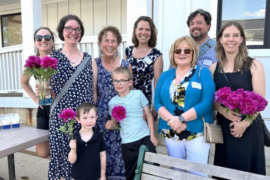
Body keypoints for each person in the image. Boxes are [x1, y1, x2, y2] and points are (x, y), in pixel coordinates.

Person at [209, 21, 266, 177]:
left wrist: (244, 123)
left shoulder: (254, 65)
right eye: (226, 35)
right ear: (220, 39)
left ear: (242, 39)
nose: (231, 39)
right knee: (225, 170)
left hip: (249, 127)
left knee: (247, 171)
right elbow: (211, 99)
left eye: (235, 35)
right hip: (225, 128)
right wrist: (222, 111)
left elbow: (260, 102)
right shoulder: (214, 68)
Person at [154, 36, 215, 177]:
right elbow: (157, 102)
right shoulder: (165, 75)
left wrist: (180, 119)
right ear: (173, 54)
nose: (182, 53)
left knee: (197, 174)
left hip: (197, 132)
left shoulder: (202, 73)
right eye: (178, 50)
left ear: (193, 53)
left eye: (187, 50)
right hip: (171, 130)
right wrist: (173, 121)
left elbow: (207, 103)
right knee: (177, 173)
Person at [48, 14, 97, 180]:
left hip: (84, 121)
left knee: (83, 161)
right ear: (62, 31)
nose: (73, 32)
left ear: (81, 33)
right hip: (60, 121)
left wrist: (92, 120)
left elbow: (94, 92)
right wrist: (40, 94)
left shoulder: (90, 61)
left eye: (77, 29)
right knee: (61, 161)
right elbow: (45, 89)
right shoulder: (52, 59)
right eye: (69, 28)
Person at [106, 67, 159, 180]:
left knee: (153, 169)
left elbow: (149, 114)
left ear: (130, 82)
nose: (119, 84)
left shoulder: (138, 94)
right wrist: (111, 125)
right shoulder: (112, 102)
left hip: (145, 137)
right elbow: (116, 123)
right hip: (128, 142)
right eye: (115, 81)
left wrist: (152, 136)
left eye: (122, 80)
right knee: (131, 173)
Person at [95, 26, 132, 180]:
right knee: (101, 156)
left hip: (120, 118)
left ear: (118, 44)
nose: (110, 44)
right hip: (101, 119)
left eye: (113, 41)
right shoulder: (94, 63)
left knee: (120, 158)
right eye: (106, 41)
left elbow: (130, 94)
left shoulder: (125, 64)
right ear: (100, 43)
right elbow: (94, 93)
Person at [21, 27, 55, 158]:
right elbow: (24, 82)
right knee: (42, 153)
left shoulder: (61, 60)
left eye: (47, 38)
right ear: (35, 42)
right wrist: (35, 98)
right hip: (43, 107)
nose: (43, 40)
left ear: (52, 41)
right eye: (39, 38)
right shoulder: (33, 62)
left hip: (59, 107)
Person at [125, 16, 163, 120]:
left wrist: (156, 106)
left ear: (152, 32)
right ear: (135, 31)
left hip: (144, 104)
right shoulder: (127, 51)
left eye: (147, 29)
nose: (144, 32)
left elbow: (157, 82)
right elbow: (122, 76)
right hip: (126, 100)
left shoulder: (156, 55)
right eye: (140, 29)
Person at [68, 103, 106, 180]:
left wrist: (103, 175)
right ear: (78, 120)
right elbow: (72, 161)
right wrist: (72, 149)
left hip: (95, 177)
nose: (89, 121)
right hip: (77, 177)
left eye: (92, 117)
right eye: (85, 118)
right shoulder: (74, 137)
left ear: (96, 118)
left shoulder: (99, 136)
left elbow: (103, 155)